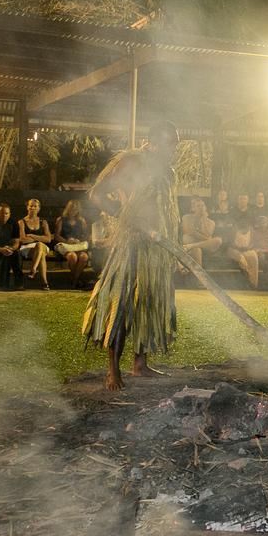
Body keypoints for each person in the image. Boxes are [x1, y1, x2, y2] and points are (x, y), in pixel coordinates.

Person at [82, 120, 181, 391]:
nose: (174, 150)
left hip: (158, 247)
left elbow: (168, 210)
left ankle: (140, 364)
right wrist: (125, 218)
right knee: (122, 303)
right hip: (132, 244)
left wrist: (170, 240)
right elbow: (97, 194)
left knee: (149, 303)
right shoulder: (131, 163)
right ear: (156, 142)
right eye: (171, 144)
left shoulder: (167, 172)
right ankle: (112, 371)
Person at [54, 199, 90, 289]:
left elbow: (86, 235)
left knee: (84, 257)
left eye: (75, 209)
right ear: (68, 209)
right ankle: (76, 281)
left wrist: (79, 240)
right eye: (71, 208)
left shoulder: (81, 221)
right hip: (66, 246)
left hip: (78, 245)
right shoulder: (61, 220)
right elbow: (57, 236)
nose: (73, 210)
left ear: (78, 210)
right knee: (72, 257)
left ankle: (74, 280)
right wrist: (67, 241)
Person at [18, 198, 52, 290]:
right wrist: (40, 238)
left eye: (35, 206)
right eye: (31, 206)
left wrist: (32, 235)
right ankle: (45, 283)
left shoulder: (43, 222)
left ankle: (33, 269)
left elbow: (48, 239)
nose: (32, 208)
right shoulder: (22, 222)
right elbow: (23, 240)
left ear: (39, 208)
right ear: (27, 207)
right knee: (41, 252)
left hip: (42, 247)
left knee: (40, 246)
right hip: (27, 248)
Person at [181, 197, 223, 268]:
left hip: (204, 246)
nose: (201, 208)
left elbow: (207, 234)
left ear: (206, 208)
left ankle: (191, 246)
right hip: (196, 243)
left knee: (218, 240)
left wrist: (204, 219)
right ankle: (199, 277)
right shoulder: (186, 217)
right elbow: (188, 231)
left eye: (203, 205)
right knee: (191, 243)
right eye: (198, 206)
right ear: (193, 209)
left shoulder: (211, 222)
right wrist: (205, 238)